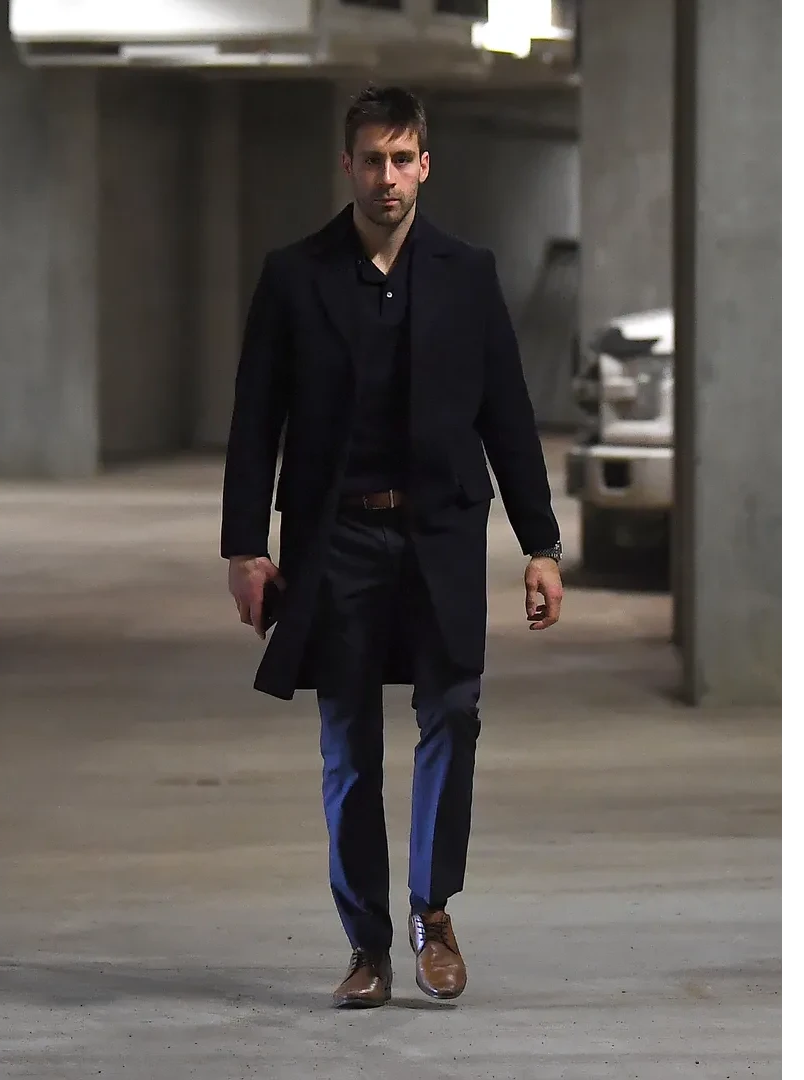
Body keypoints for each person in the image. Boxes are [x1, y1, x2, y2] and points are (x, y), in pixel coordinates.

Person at [219, 85, 564, 1008]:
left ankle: (432, 910)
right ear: (348, 165)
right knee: (349, 743)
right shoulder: (296, 276)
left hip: (440, 532)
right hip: (337, 538)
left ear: (424, 165)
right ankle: (366, 945)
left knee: (453, 712)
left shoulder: (468, 273)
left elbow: (507, 413)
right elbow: (255, 420)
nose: (387, 176)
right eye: (372, 159)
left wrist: (541, 543)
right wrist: (245, 548)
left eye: (402, 159)